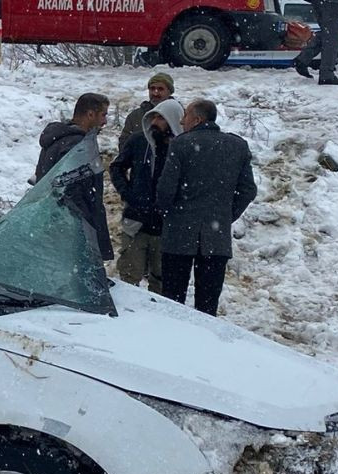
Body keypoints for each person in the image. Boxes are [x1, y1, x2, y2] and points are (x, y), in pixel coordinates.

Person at [156, 98, 257, 316]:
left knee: (172, 303)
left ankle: (170, 343)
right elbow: (248, 189)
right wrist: (224, 216)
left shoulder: (181, 144)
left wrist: (167, 213)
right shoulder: (237, 146)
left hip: (179, 236)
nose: (182, 122)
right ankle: (204, 345)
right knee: (207, 306)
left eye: (186, 117)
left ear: (197, 119)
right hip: (216, 239)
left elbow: (166, 191)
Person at [109, 97, 185, 291]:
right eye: (153, 117)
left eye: (161, 118)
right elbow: (117, 167)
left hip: (167, 228)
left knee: (162, 284)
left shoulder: (184, 148)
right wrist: (127, 193)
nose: (154, 123)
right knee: (128, 280)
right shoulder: (138, 140)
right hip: (136, 224)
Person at [35, 93, 113, 261]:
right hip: (69, 230)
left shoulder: (61, 139)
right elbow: (71, 193)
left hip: (53, 223)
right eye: (103, 115)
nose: (105, 121)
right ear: (90, 114)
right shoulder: (76, 145)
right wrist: (86, 230)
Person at [117, 71, 177, 153]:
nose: (155, 93)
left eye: (160, 89)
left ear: (169, 92)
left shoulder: (179, 114)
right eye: (152, 88)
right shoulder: (135, 116)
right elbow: (124, 144)